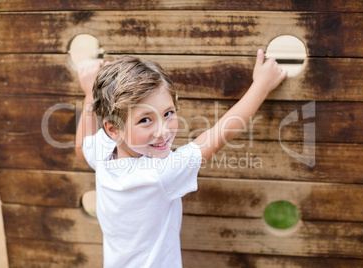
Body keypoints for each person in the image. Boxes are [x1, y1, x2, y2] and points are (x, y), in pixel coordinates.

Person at [75, 50, 287, 267]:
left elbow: (82, 149)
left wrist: (90, 96)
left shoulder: (104, 151)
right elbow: (222, 133)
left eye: (168, 113)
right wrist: (261, 86)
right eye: (145, 120)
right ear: (113, 129)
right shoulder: (160, 173)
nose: (163, 131)